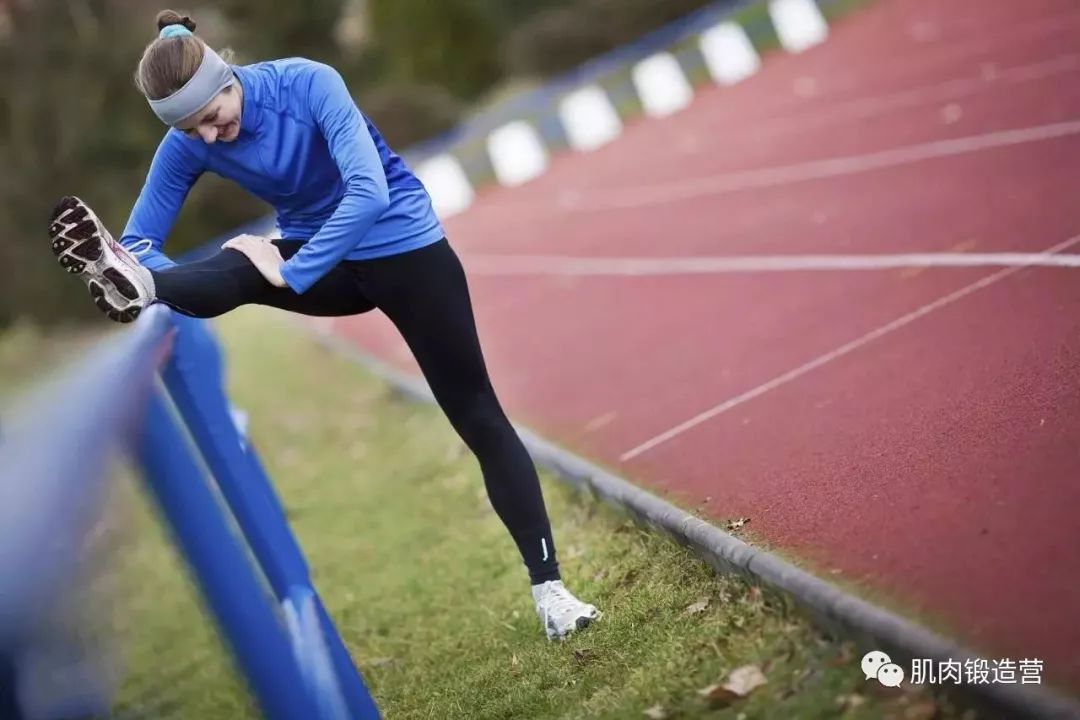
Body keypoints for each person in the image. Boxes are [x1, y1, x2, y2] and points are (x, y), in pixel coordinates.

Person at [46, 9, 600, 640]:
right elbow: (141, 238)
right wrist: (151, 267)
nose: (209, 136)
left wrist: (291, 269)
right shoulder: (189, 142)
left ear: (227, 79)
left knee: (476, 413)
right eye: (191, 130)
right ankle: (143, 292)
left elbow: (369, 190)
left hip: (403, 249)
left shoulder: (308, 82)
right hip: (321, 262)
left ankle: (551, 591)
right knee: (231, 266)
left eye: (212, 116)